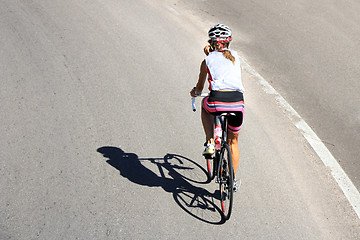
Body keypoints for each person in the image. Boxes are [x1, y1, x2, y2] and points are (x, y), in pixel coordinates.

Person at [190, 24, 245, 191]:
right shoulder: (236, 56)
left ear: (210, 42)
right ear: (228, 42)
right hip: (237, 103)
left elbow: (200, 88)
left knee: (204, 105)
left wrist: (194, 92)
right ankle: (233, 181)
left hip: (216, 102)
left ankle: (210, 142)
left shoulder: (206, 60)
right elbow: (224, 63)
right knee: (233, 142)